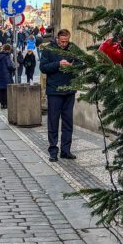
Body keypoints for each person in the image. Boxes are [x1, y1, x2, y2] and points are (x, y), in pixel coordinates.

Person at [40, 28, 81, 162]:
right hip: (54, 91)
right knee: (53, 121)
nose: (64, 44)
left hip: (69, 90)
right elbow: (43, 67)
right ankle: (53, 150)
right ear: (57, 39)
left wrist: (73, 66)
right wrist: (58, 64)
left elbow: (82, 62)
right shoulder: (49, 49)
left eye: (66, 41)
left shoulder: (73, 48)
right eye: (62, 41)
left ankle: (66, 150)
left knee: (68, 122)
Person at [0, 42, 14, 109]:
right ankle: (6, 104)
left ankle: (2, 104)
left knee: (1, 90)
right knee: (6, 91)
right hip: (7, 75)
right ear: (8, 49)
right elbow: (9, 66)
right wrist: (14, 67)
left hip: (1, 75)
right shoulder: (7, 56)